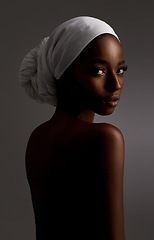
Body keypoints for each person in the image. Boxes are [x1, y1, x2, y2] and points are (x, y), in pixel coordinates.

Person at [19, 16, 127, 240]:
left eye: (120, 70)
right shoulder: (106, 138)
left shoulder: (37, 136)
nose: (115, 84)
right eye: (98, 71)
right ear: (62, 74)